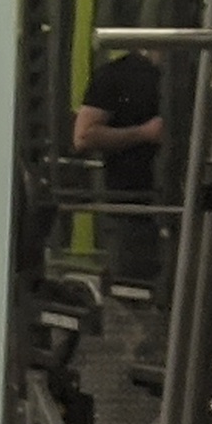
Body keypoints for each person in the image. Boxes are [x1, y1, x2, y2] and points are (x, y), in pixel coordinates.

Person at [73, 43, 170, 298]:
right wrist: (144, 133)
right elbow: (83, 137)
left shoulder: (199, 74)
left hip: (189, 206)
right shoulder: (116, 74)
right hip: (131, 209)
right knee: (132, 295)